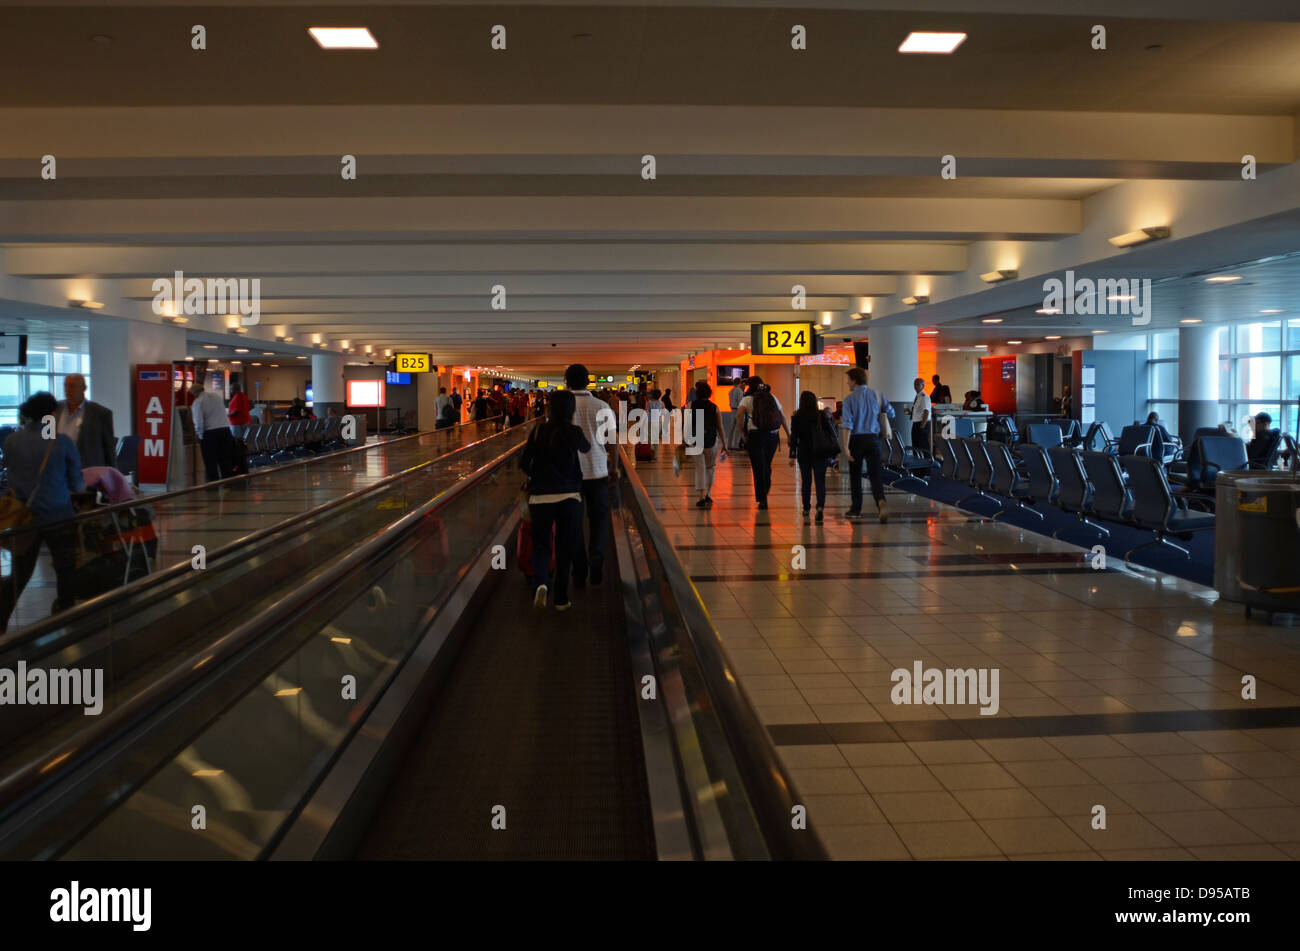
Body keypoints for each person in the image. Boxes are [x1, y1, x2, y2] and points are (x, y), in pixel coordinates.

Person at [0, 392, 85, 631]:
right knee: (65, 566)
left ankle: (1, 619)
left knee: (20, 572)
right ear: (50, 415)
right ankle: (66, 615)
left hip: (24, 516)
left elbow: (10, 475)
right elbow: (77, 483)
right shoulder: (61, 441)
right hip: (58, 514)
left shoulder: (11, 441)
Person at [520, 389, 590, 612]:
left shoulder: (539, 430)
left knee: (541, 546)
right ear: (571, 409)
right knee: (564, 549)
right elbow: (587, 449)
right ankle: (561, 598)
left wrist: (534, 474)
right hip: (569, 497)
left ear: (549, 407)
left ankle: (541, 582)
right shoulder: (574, 432)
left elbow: (524, 462)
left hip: (541, 497)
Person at [564, 364, 614, 589]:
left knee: (573, 523)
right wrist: (615, 468)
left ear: (567, 381)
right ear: (588, 381)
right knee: (599, 519)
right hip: (598, 471)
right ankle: (596, 558)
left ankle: (579, 568)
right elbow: (613, 440)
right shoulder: (601, 405)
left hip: (569, 474)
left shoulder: (562, 407)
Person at [840, 366, 894, 522]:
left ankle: (856, 508)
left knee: (855, 475)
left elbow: (848, 424)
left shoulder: (849, 399)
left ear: (854, 381)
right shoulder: (877, 395)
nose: (847, 383)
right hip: (873, 440)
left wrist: (845, 446)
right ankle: (880, 501)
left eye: (848, 381)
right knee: (875, 474)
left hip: (856, 441)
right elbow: (891, 412)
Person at [734, 376, 791, 511]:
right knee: (766, 464)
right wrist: (789, 434)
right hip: (772, 436)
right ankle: (766, 485)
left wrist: (742, 433)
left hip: (755, 437)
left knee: (758, 467)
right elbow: (782, 416)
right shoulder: (772, 397)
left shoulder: (747, 399)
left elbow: (739, 415)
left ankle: (762, 498)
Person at [788, 390, 837, 522]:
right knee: (820, 481)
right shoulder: (820, 415)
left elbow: (794, 438)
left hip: (804, 453)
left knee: (806, 482)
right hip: (820, 453)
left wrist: (792, 455)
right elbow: (832, 433)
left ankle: (806, 508)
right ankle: (820, 506)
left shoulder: (797, 417)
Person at [57, 373, 116, 469]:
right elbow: (45, 440)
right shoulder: (54, 410)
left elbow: (109, 449)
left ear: (84, 388)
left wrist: (113, 477)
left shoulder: (101, 413)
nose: (67, 390)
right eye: (65, 385)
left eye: (72, 386)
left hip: (87, 473)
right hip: (58, 472)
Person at [689, 381, 726, 507]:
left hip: (695, 440)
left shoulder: (690, 405)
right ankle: (708, 494)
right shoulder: (714, 407)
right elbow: (720, 427)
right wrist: (725, 444)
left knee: (699, 468)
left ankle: (700, 497)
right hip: (711, 440)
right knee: (710, 468)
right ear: (709, 393)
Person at [190, 382, 236, 482]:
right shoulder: (216, 396)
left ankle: (213, 485)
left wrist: (200, 436)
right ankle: (229, 482)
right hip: (225, 431)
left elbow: (199, 422)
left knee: (211, 462)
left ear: (195, 393)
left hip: (210, 434)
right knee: (225, 460)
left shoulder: (198, 402)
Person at [909, 377, 932, 456]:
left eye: (917, 384)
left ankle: (927, 464)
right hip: (916, 423)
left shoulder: (924, 397)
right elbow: (919, 411)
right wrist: (910, 412)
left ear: (923, 385)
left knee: (923, 445)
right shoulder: (918, 397)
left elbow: (926, 411)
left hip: (922, 424)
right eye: (914, 384)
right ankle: (917, 464)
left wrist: (922, 426)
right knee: (915, 445)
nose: (915, 386)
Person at [728, 377, 748, 450]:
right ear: (740, 383)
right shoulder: (739, 391)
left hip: (732, 410)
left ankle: (729, 445)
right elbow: (740, 401)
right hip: (738, 410)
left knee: (732, 428)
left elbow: (730, 401)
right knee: (739, 428)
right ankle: (736, 445)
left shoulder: (731, 391)